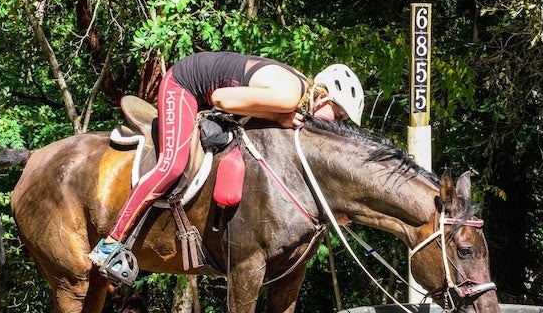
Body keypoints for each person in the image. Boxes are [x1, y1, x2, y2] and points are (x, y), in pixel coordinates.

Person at [89, 51, 364, 267]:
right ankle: (111, 243)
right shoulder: (289, 97)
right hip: (183, 85)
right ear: (323, 96)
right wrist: (279, 116)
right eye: (338, 116)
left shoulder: (298, 99)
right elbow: (221, 98)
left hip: (204, 92)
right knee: (172, 165)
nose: (337, 125)